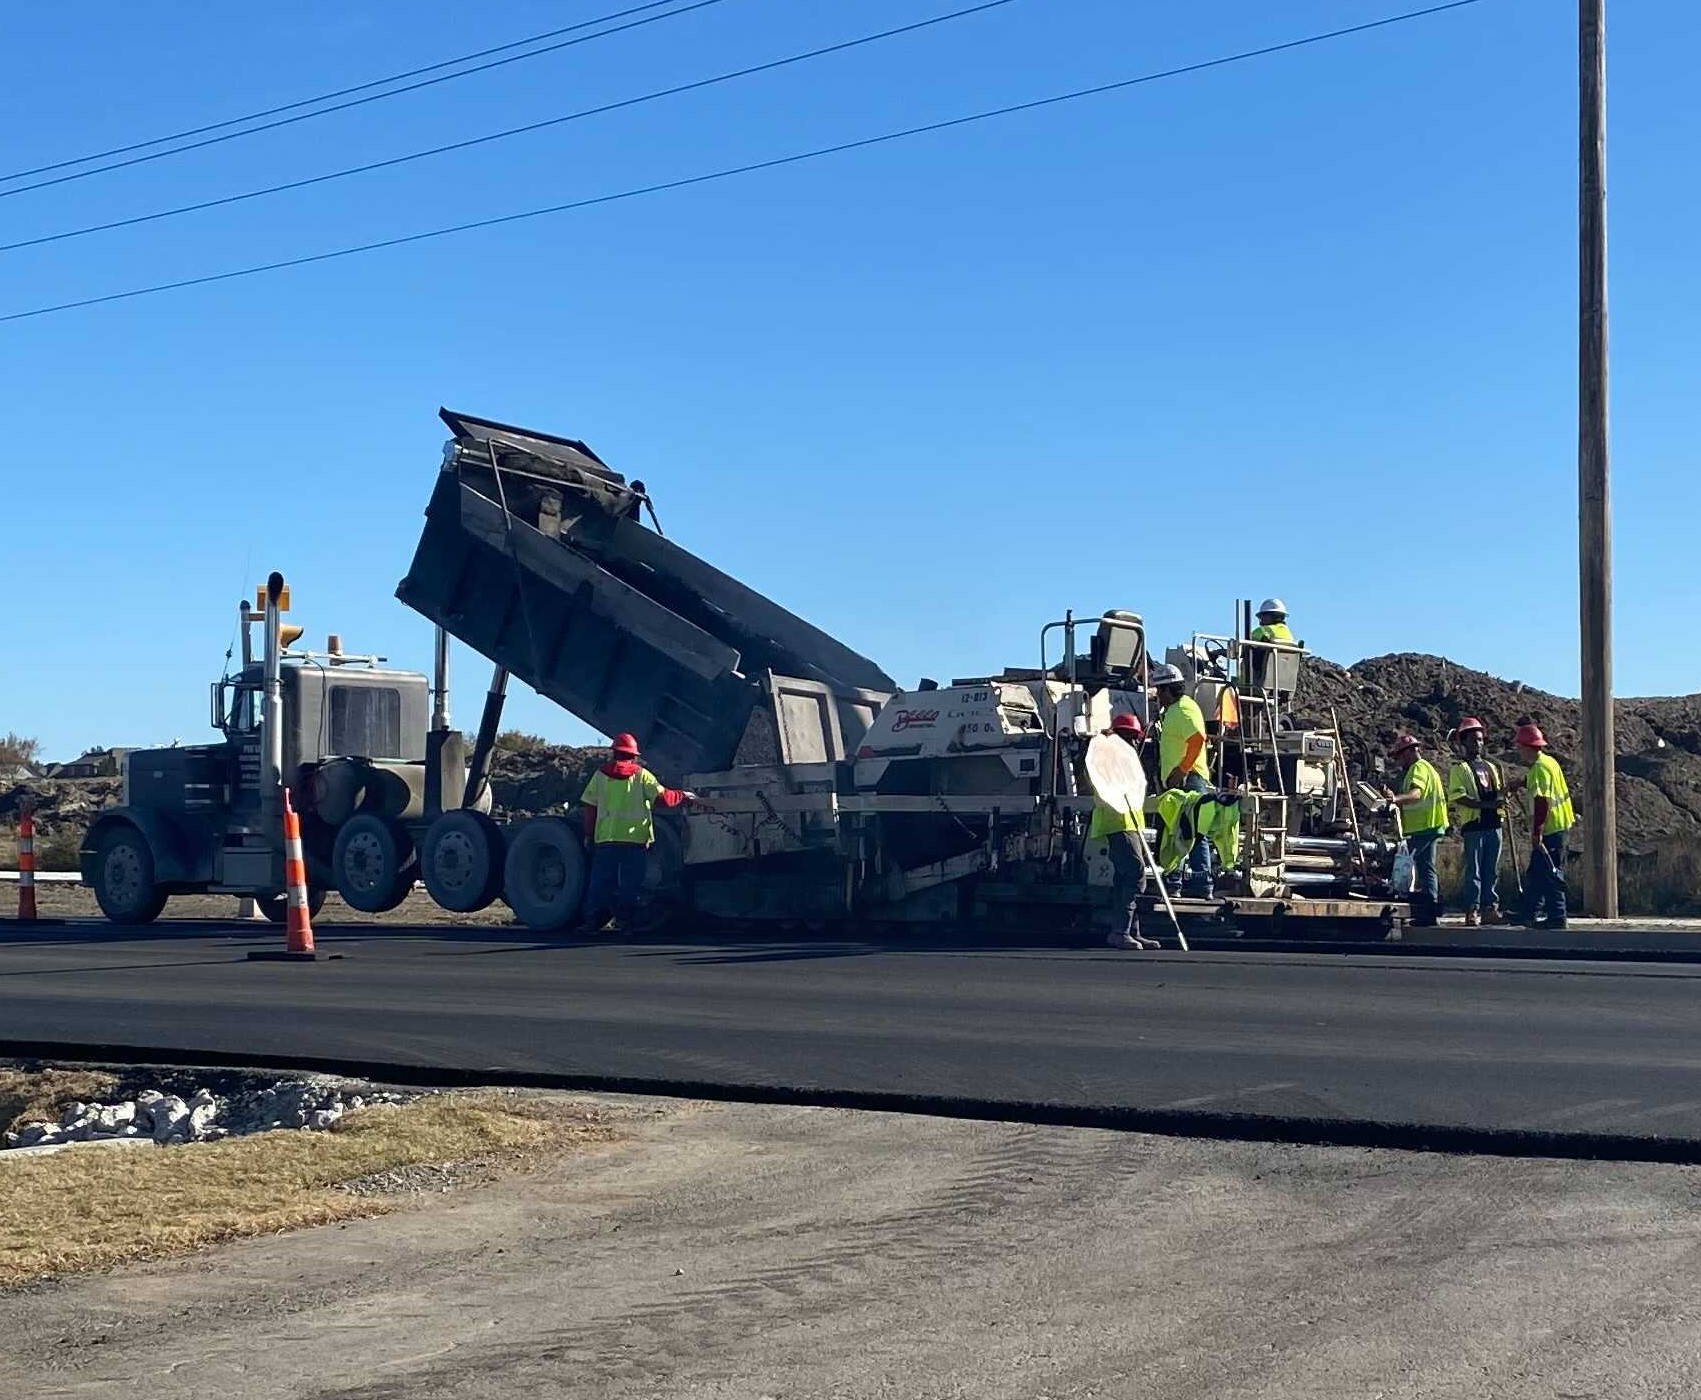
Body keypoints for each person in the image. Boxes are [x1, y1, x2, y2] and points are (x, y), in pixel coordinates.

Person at [579, 732, 696, 932]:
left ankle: (592, 922)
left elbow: (590, 808)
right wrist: (683, 796)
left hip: (606, 840)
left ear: (614, 752)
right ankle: (625, 922)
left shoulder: (600, 776)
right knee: (630, 885)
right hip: (634, 842)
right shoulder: (641, 776)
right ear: (633, 755)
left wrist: (588, 835)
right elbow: (664, 799)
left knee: (600, 882)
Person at [1091, 712, 1159, 951]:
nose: (1135, 742)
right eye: (1131, 737)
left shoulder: (1124, 757)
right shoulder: (1109, 756)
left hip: (1129, 821)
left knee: (1125, 877)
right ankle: (1120, 931)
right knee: (1134, 873)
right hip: (1116, 821)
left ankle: (1131, 931)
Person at [1149, 663, 1214, 898]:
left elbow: (1197, 739)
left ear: (1167, 690)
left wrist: (1181, 770)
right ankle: (1183, 883)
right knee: (1179, 831)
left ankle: (1191, 884)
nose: (1158, 697)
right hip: (1185, 779)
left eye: (1159, 691)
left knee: (1189, 831)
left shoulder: (1182, 710)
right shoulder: (1179, 710)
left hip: (1188, 780)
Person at [1507, 723, 1574, 929]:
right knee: (1537, 872)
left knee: (1549, 873)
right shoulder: (1548, 762)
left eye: (1519, 746)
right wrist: (1518, 783)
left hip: (1551, 830)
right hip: (1560, 826)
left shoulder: (1539, 769)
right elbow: (1535, 782)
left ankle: (1557, 916)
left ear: (1527, 746)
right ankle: (1528, 913)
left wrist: (1537, 832)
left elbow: (1542, 802)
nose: (1518, 750)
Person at [1381, 734, 1447, 927]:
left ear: (1409, 752)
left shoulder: (1419, 768)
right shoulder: (1426, 769)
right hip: (1428, 825)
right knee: (1427, 868)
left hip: (1425, 826)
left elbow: (1416, 794)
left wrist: (1395, 800)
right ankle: (1430, 910)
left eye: (1400, 756)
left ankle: (1428, 911)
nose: (1399, 761)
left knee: (1421, 868)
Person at [1445, 717, 1505, 926]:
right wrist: (1485, 806)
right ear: (1463, 742)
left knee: (1491, 870)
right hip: (1475, 826)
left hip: (1494, 825)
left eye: (1480, 739)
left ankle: (1490, 908)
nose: (1477, 743)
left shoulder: (1491, 767)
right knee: (1474, 871)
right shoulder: (1459, 769)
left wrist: (1503, 797)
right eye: (1472, 740)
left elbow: (1496, 792)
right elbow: (1458, 797)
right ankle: (1472, 910)